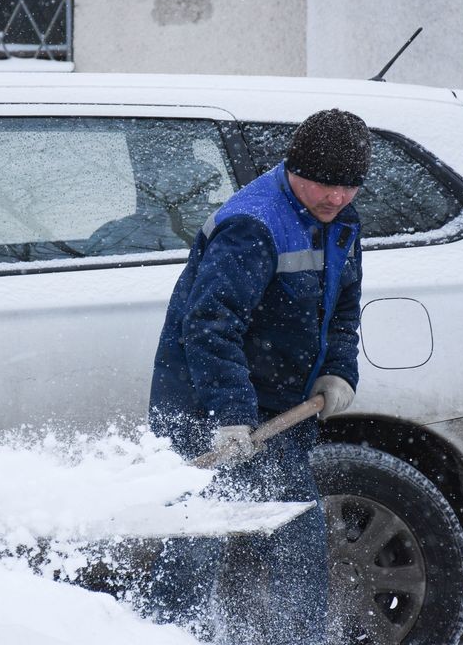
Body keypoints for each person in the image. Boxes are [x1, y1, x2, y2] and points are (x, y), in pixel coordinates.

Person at [146, 109, 371, 644]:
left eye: (349, 185)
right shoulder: (254, 223)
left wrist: (338, 370)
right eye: (324, 183)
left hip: (279, 412)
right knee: (194, 546)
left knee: (298, 540)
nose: (337, 197)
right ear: (295, 169)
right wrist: (230, 417)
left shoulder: (340, 221)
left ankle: (301, 639)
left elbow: (343, 307)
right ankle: (164, 635)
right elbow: (209, 328)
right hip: (204, 407)